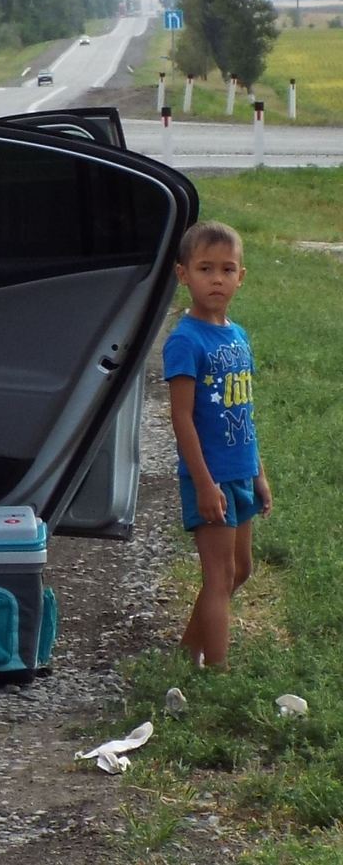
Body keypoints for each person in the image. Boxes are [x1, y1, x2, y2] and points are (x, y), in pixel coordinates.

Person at [163, 220, 271, 669]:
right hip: (210, 477)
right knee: (219, 574)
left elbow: (243, 411)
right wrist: (205, 485)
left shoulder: (237, 334)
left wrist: (259, 474)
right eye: (205, 268)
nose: (217, 279)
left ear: (241, 277)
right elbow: (181, 418)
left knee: (239, 570)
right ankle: (219, 675)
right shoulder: (185, 341)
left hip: (241, 470)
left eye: (227, 269)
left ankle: (189, 651)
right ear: (183, 274)